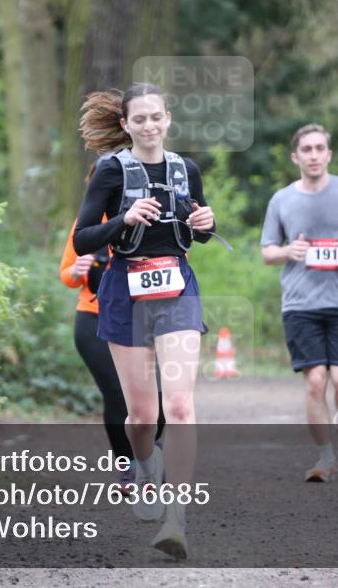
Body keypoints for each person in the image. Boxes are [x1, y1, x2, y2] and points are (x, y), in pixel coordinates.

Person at [73, 82, 216, 560]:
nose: (150, 126)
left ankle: (176, 519)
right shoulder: (112, 171)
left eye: (157, 117)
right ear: (125, 124)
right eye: (140, 119)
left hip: (176, 289)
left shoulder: (185, 169)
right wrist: (125, 218)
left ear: (168, 119)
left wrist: (205, 226)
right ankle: (145, 462)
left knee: (178, 407)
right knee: (142, 417)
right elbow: (83, 238)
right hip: (124, 291)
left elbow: (196, 232)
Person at [260, 124, 338, 483]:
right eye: (307, 149)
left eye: (319, 149)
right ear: (295, 157)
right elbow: (268, 252)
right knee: (315, 383)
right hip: (299, 305)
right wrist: (289, 250)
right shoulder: (281, 200)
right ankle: (325, 458)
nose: (313, 155)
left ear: (329, 154)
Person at [59, 200, 166, 495]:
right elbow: (66, 274)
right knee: (117, 395)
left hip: (143, 319)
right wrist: (77, 271)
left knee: (158, 394)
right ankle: (128, 467)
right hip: (93, 320)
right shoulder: (87, 221)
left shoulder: (149, 212)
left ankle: (151, 452)